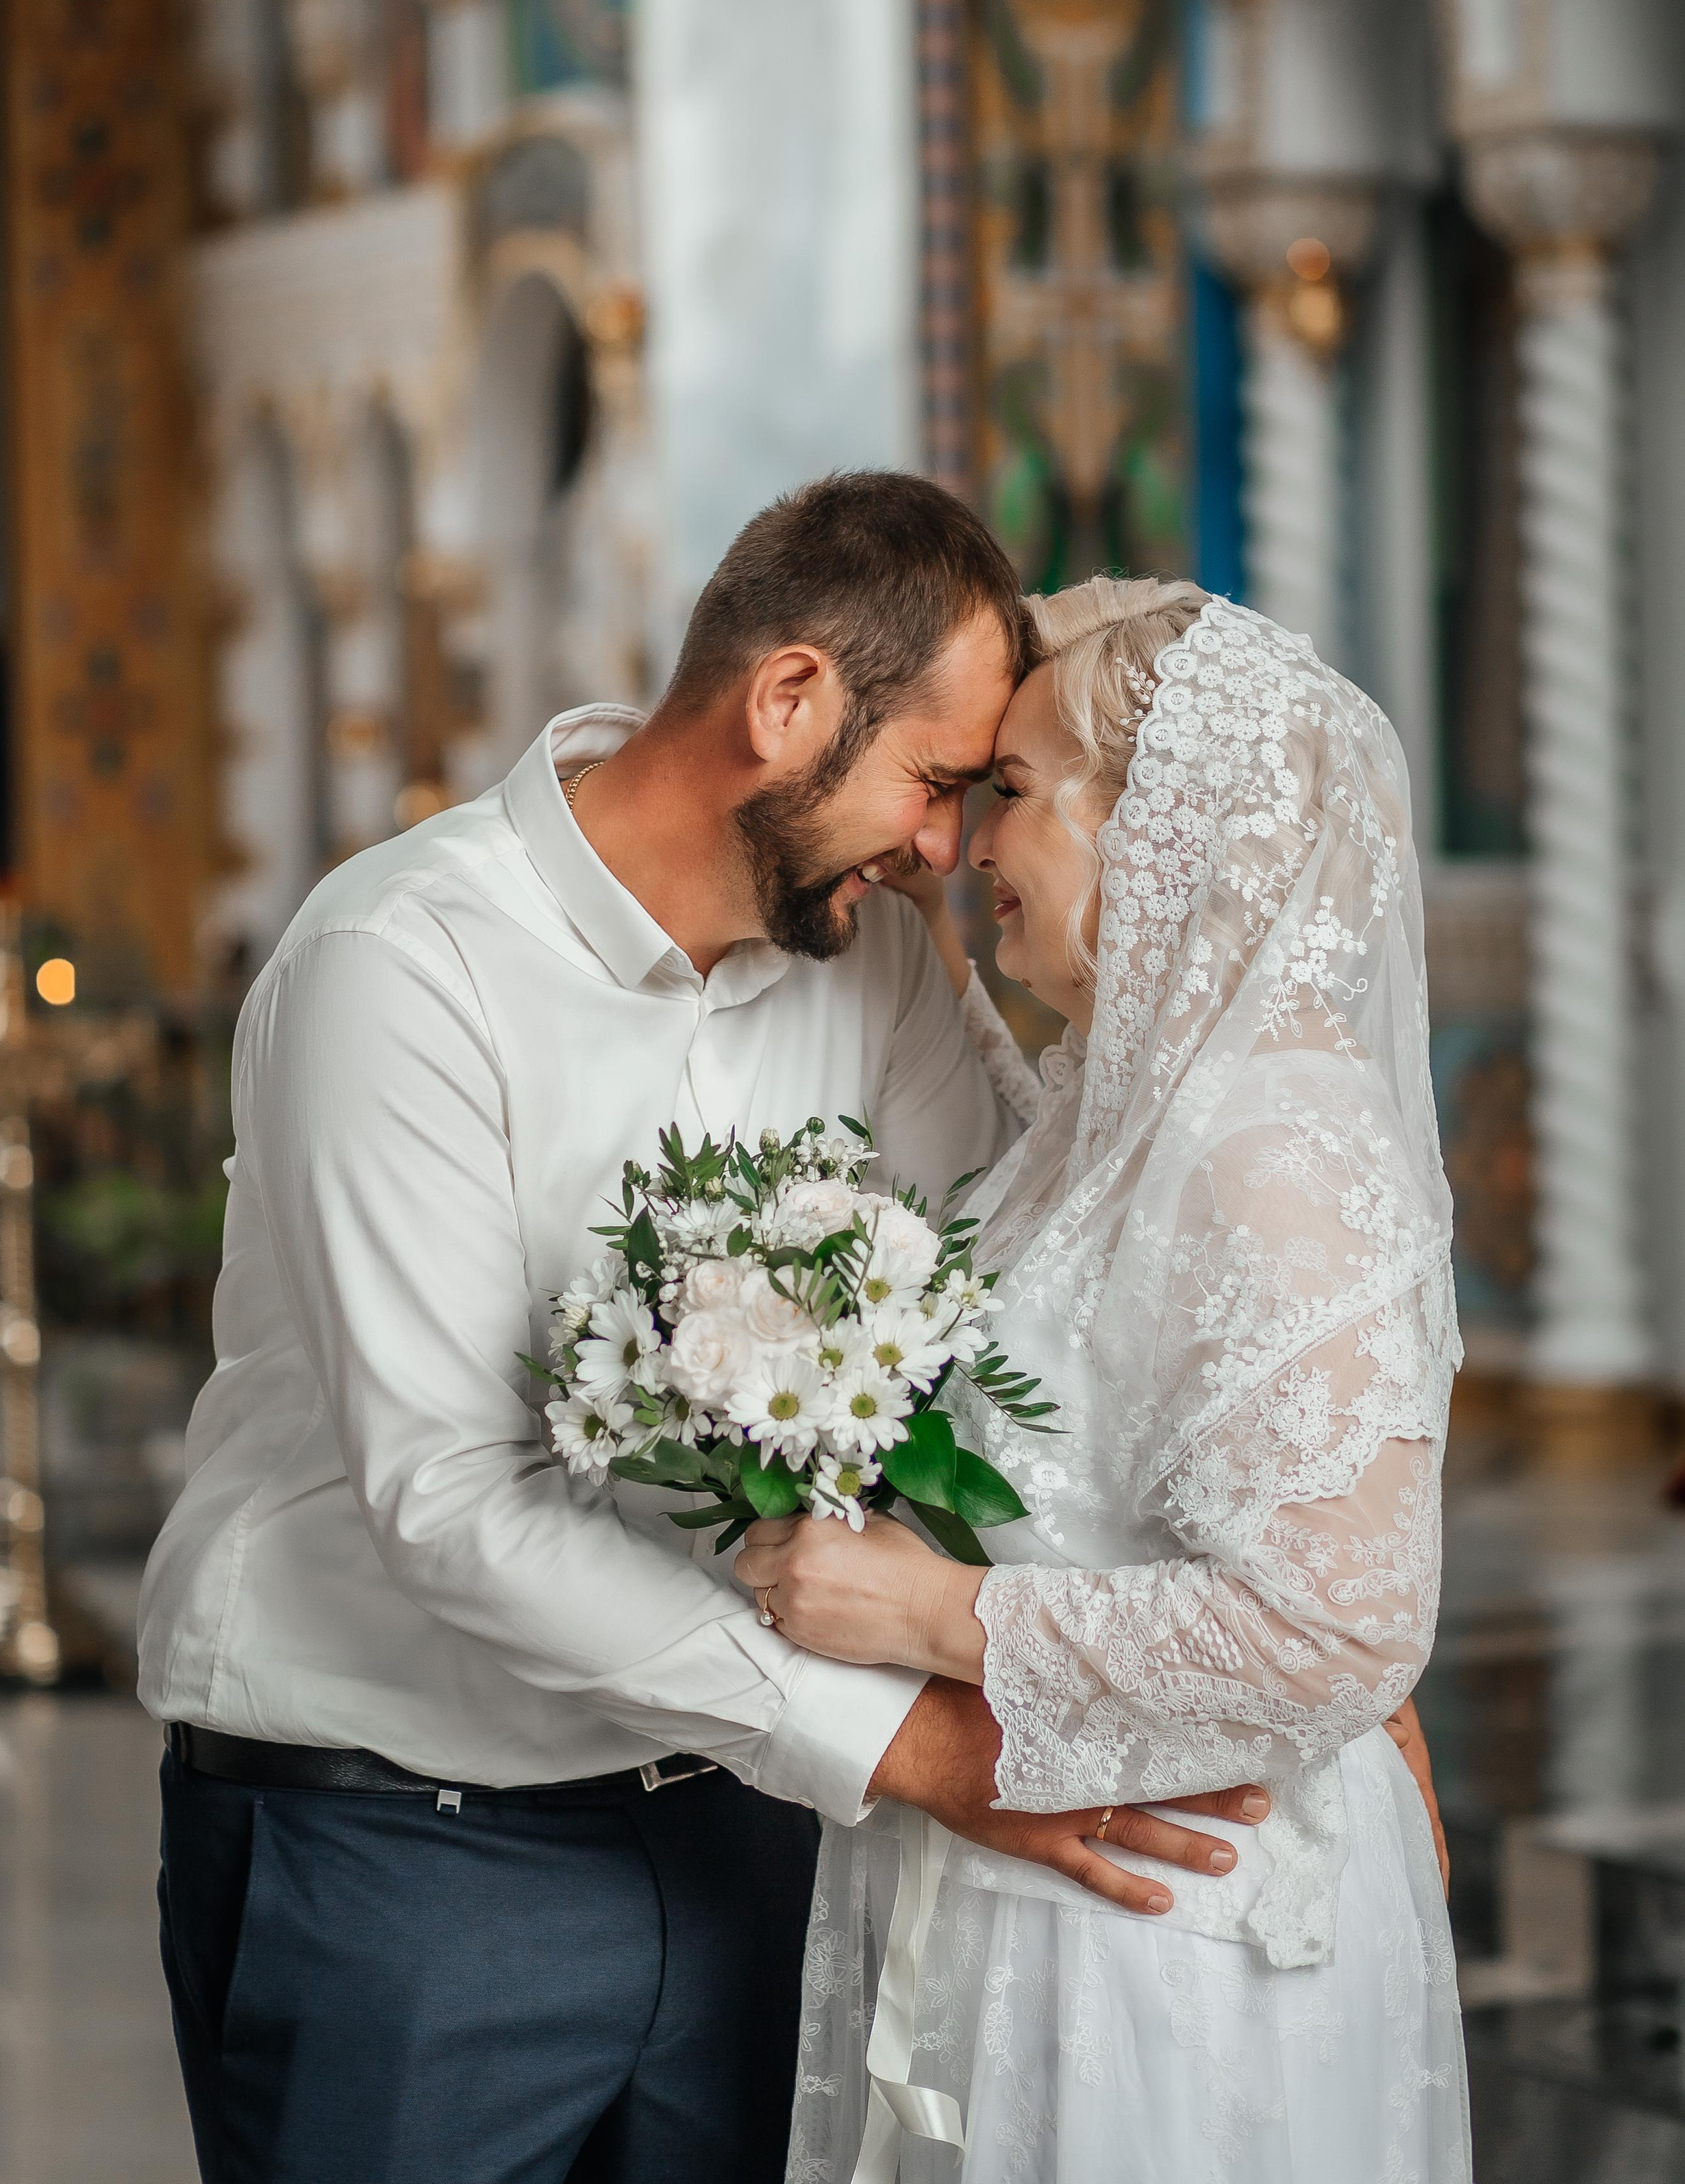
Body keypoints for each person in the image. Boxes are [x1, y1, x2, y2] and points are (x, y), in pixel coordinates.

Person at [138, 480, 1277, 2184]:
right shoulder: (401, 965)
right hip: (403, 1845)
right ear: (787, 702)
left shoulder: (871, 964)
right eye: (936, 783)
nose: (945, 848)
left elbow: (1027, 1288)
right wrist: (910, 1744)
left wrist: (1286, 1596)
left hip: (757, 1831)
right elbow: (452, 1502)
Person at [738, 576, 1471, 2184]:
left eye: (1010, 792)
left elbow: (1337, 1623)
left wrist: (924, 1618)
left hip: (1174, 1937)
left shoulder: (1274, 1144)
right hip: (1044, 1887)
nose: (973, 849)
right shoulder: (1102, 1121)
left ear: (1172, 824)